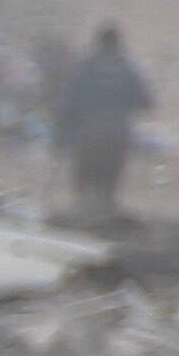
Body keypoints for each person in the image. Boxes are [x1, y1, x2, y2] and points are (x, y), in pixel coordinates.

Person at [59, 22, 150, 223]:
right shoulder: (128, 66)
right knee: (109, 177)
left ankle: (82, 212)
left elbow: (69, 99)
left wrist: (64, 126)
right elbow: (145, 101)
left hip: (89, 130)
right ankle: (106, 214)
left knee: (85, 174)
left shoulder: (86, 65)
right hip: (118, 131)